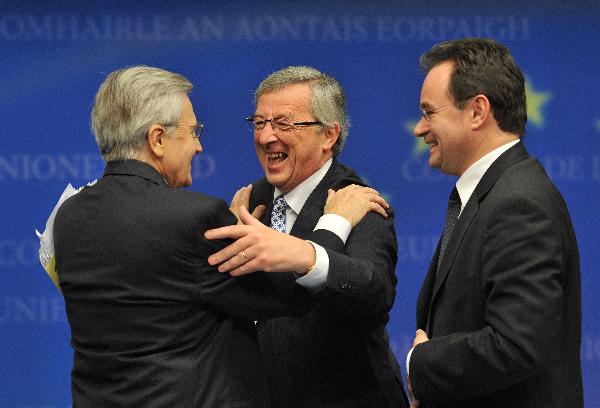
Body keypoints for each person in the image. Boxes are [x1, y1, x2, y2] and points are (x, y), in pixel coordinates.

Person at [53, 66, 323, 407]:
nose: (198, 147)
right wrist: (333, 225)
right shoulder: (194, 218)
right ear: (157, 140)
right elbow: (290, 296)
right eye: (193, 132)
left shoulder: (69, 217)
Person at [205, 66, 408, 408]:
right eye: (259, 123)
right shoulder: (251, 202)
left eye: (284, 124)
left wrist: (310, 256)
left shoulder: (357, 201)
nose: (266, 137)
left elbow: (374, 290)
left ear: (329, 135)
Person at [406, 38, 582, 407]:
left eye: (428, 113)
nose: (419, 130)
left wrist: (420, 364)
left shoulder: (518, 202)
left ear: (477, 111)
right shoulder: (496, 193)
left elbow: (519, 344)